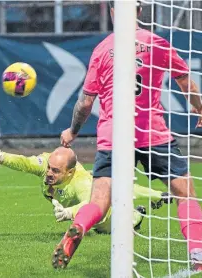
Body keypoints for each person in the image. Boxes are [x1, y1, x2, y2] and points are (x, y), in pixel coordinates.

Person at [54, 1, 202, 270]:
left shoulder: (101, 50)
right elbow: (185, 83)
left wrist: (72, 131)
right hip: (152, 132)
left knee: (99, 201)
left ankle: (78, 226)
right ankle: (197, 253)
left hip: (113, 136)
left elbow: (85, 104)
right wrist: (201, 108)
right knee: (185, 193)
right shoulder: (157, 42)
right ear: (140, 11)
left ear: (113, 12)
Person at [0, 141, 171, 234]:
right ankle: (156, 195)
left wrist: (68, 213)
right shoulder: (48, 164)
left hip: (103, 213)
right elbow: (26, 162)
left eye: (55, 171)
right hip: (95, 192)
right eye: (49, 168)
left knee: (110, 226)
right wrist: (1, 157)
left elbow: (90, 204)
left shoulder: (80, 182)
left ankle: (139, 213)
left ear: (70, 172)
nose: (49, 173)